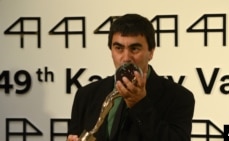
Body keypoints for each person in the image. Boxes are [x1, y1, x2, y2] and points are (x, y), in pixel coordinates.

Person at [67, 13, 195, 141]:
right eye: (118, 48)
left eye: (134, 49)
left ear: (151, 52)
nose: (126, 58)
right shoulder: (86, 95)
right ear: (111, 51)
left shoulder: (179, 97)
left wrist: (139, 104)